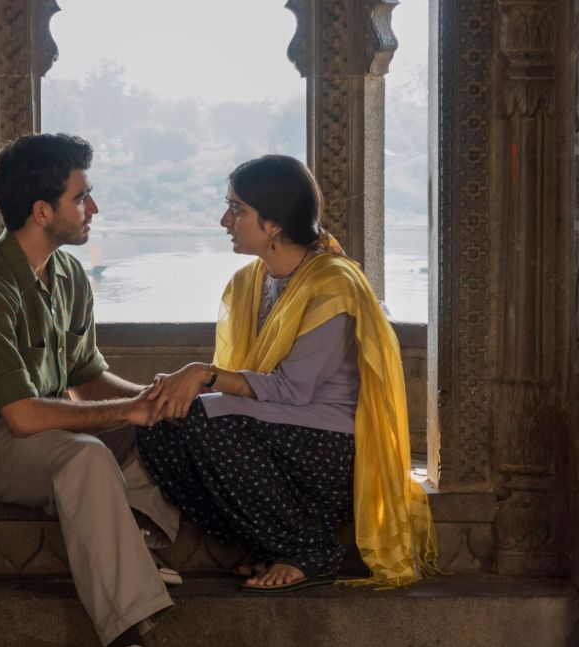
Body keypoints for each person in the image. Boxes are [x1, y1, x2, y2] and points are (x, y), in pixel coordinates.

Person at [0, 133, 186, 647]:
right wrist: (130, 409)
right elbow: (20, 416)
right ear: (43, 211)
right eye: (82, 197)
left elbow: (87, 376)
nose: (94, 209)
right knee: (85, 456)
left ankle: (134, 537)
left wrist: (152, 400)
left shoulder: (68, 275)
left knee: (166, 420)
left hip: (35, 429)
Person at [137, 154, 439, 592]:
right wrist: (187, 384)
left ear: (274, 224)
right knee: (159, 421)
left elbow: (293, 390)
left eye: (237, 209)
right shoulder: (252, 281)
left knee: (200, 417)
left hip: (329, 453)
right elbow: (251, 385)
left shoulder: (332, 284)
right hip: (279, 435)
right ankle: (266, 542)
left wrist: (204, 374)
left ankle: (309, 550)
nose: (225, 220)